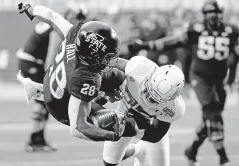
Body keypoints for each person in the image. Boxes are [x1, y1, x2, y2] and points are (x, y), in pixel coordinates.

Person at [128, 1, 239, 165]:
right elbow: (174, 41)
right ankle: (223, 158)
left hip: (219, 80)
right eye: (210, 12)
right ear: (204, 14)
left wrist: (231, 79)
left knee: (210, 118)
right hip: (201, 77)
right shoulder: (197, 30)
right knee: (212, 113)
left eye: (216, 12)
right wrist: (145, 45)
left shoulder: (232, 31)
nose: (214, 15)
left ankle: (192, 150)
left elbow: (235, 58)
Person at [17, 3, 124, 142]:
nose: (81, 21)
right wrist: (110, 136)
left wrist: (32, 10)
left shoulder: (72, 33)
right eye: (80, 17)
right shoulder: (81, 71)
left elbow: (51, 16)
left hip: (52, 78)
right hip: (38, 67)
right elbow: (77, 128)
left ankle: (42, 92)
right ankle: (36, 136)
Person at [16, 6, 88, 152]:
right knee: (44, 100)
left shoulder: (56, 21)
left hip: (32, 61)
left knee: (46, 99)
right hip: (33, 63)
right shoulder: (58, 28)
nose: (79, 23)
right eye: (79, 19)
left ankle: (38, 138)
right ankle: (35, 139)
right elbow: (50, 56)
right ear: (73, 16)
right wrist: (51, 78)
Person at [101, 55, 185, 166]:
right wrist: (104, 91)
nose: (147, 99)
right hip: (123, 114)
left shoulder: (174, 109)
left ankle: (142, 150)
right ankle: (139, 150)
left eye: (155, 100)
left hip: (147, 126)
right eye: (148, 91)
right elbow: (106, 64)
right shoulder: (138, 68)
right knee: (109, 161)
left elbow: (156, 135)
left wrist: (132, 128)